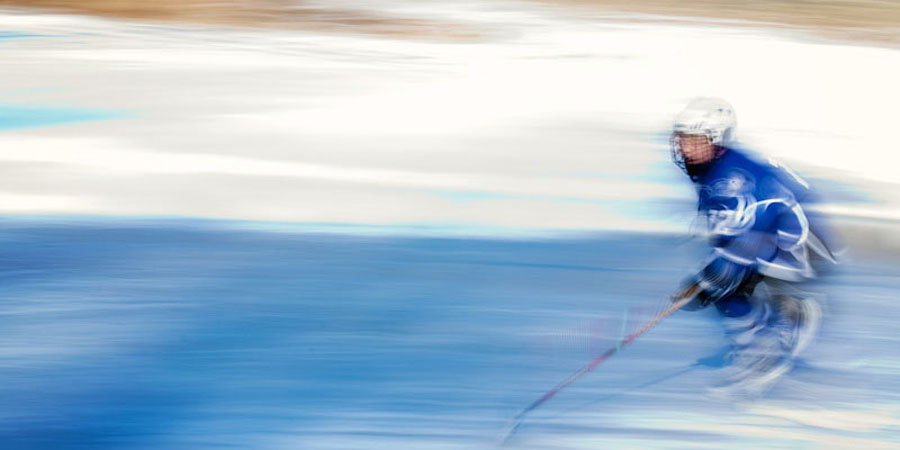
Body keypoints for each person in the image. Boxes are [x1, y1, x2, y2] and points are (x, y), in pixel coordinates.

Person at [668, 97, 839, 397]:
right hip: (771, 235)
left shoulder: (732, 179)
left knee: (722, 283)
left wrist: (707, 280)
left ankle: (787, 325)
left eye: (695, 140)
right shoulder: (714, 168)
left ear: (717, 140)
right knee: (720, 285)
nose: (685, 148)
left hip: (802, 241)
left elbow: (747, 241)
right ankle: (756, 343)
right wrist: (709, 279)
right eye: (682, 139)